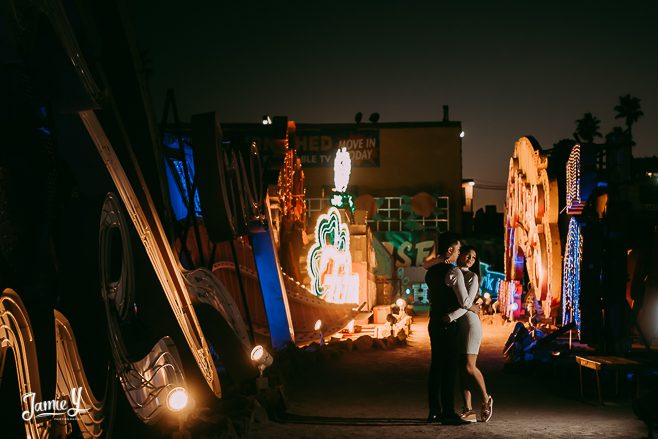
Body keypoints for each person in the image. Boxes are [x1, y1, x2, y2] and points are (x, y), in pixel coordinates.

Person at [425, 232, 479, 425]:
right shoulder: (454, 272)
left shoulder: (431, 272)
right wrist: (473, 305)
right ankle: (448, 412)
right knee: (449, 369)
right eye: (456, 250)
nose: (458, 254)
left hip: (434, 321)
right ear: (450, 250)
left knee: (436, 367)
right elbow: (464, 302)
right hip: (448, 323)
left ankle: (434, 411)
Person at [446, 246, 493, 423]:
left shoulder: (471, 277)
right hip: (459, 325)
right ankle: (468, 409)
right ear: (461, 254)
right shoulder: (454, 273)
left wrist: (450, 317)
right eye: (468, 255)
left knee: (469, 366)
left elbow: (466, 304)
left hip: (470, 324)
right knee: (461, 369)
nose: (470, 258)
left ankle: (486, 399)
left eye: (474, 257)